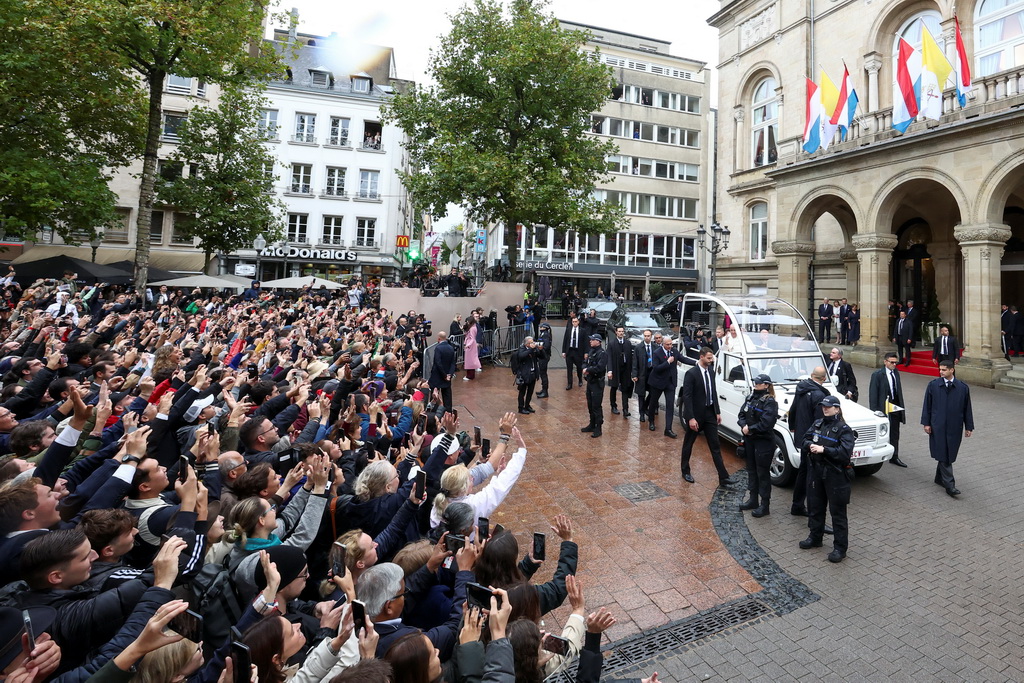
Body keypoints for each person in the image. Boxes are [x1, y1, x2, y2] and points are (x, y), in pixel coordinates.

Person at [798, 395, 855, 563]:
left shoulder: (844, 429)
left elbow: (845, 452)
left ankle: (840, 548)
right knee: (815, 507)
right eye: (823, 406)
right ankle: (815, 537)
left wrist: (824, 450)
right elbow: (804, 439)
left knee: (837, 513)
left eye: (828, 407)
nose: (825, 409)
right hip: (816, 471)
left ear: (837, 409)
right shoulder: (818, 424)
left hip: (835, 475)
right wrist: (809, 446)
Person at [679, 347, 733, 488]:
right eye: (709, 358)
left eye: (712, 358)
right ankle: (685, 471)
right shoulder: (691, 374)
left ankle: (724, 477)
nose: (711, 360)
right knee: (689, 443)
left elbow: (713, 392)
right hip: (696, 415)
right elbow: (687, 396)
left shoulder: (711, 371)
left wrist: (717, 411)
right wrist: (690, 418)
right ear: (701, 357)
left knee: (715, 445)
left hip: (709, 414)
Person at [921, 360, 974, 497]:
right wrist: (926, 423)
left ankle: (939, 478)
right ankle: (950, 485)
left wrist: (969, 426)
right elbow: (927, 405)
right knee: (943, 452)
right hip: (937, 426)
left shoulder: (962, 388)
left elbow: (967, 408)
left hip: (954, 427)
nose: (941, 372)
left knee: (949, 452)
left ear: (952, 370)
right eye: (940, 369)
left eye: (944, 370)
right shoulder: (933, 385)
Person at [789, 367, 829, 516]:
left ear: (812, 376)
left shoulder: (801, 388)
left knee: (803, 472)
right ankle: (805, 508)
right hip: (813, 441)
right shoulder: (819, 395)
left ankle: (797, 504)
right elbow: (820, 422)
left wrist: (793, 427)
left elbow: (793, 409)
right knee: (811, 475)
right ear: (824, 379)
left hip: (802, 437)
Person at [736, 374, 778, 516]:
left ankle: (764, 505)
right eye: (755, 382)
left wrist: (750, 429)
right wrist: (744, 426)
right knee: (751, 470)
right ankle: (753, 499)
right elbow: (741, 414)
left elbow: (767, 423)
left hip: (763, 442)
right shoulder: (750, 397)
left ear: (766, 385)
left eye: (758, 383)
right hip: (750, 440)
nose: (755, 384)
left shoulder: (770, 402)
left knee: (762, 474)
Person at [870, 352, 907, 468]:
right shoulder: (877, 375)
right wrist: (874, 411)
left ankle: (894, 456)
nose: (894, 365)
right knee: (883, 431)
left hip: (895, 407)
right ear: (885, 362)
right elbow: (873, 394)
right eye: (892, 362)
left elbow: (898, 391)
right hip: (882, 408)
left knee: (895, 432)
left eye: (896, 362)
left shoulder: (896, 373)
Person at [645, 335, 681, 438]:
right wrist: (667, 362)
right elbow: (656, 368)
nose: (670, 346)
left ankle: (668, 429)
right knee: (653, 402)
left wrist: (697, 362)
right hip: (658, 382)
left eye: (671, 344)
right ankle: (651, 421)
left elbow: (682, 358)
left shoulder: (674, 351)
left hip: (670, 383)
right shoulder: (657, 353)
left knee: (670, 406)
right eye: (668, 344)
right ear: (663, 344)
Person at [580, 335, 607, 438]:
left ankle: (598, 427)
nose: (590, 341)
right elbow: (584, 362)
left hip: (597, 382)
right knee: (590, 404)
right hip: (590, 381)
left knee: (596, 406)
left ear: (598, 342)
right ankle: (592, 424)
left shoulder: (602, 354)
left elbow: (599, 368)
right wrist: (585, 368)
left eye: (593, 340)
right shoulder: (591, 351)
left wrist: (588, 370)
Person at [606, 325, 634, 418]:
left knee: (625, 388)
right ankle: (613, 406)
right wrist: (609, 370)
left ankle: (625, 409)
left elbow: (631, 358)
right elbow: (609, 357)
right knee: (614, 387)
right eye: (619, 331)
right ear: (616, 332)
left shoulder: (628, 343)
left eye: (622, 331)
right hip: (615, 368)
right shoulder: (612, 343)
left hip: (625, 369)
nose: (621, 333)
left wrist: (632, 371)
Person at [428, 331, 456, 413]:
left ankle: (434, 414)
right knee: (447, 398)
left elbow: (438, 363)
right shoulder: (451, 348)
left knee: (434, 396)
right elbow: (453, 363)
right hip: (447, 377)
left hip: (437, 376)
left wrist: (443, 375)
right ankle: (448, 414)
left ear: (439, 338)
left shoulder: (438, 348)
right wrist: (449, 375)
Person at [513, 337, 542, 414]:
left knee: (530, 391)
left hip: (533, 373)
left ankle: (527, 405)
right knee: (522, 392)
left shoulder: (533, 349)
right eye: (531, 343)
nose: (533, 344)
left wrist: (539, 349)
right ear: (527, 344)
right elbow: (521, 356)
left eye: (533, 342)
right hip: (524, 374)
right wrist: (531, 349)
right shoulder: (522, 349)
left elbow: (541, 356)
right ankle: (521, 407)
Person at [632, 329, 656, 422]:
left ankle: (645, 406)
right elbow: (635, 362)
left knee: (653, 392)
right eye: (645, 336)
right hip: (642, 373)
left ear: (651, 336)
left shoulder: (655, 347)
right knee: (641, 394)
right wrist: (634, 374)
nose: (647, 337)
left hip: (652, 373)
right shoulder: (638, 347)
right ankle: (641, 413)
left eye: (648, 335)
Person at [561, 316, 584, 390]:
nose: (574, 323)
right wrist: (564, 351)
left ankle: (580, 379)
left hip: (578, 351)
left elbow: (585, 342)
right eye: (573, 322)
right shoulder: (568, 330)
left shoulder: (582, 330)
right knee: (569, 368)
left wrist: (586, 352)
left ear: (578, 322)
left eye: (576, 321)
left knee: (579, 367)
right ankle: (569, 384)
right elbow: (565, 341)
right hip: (569, 351)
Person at [534, 322, 553, 398]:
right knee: (542, 373)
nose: (540, 328)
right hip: (542, 356)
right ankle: (543, 389)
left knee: (543, 373)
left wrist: (538, 346)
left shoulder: (545, 335)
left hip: (544, 356)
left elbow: (546, 346)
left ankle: (545, 391)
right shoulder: (543, 334)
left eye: (541, 327)